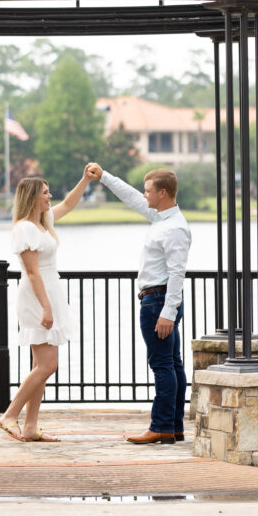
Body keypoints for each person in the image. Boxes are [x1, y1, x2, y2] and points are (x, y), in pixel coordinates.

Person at [85, 162, 191, 445]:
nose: (144, 195)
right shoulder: (162, 219)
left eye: (148, 191)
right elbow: (131, 196)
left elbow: (178, 273)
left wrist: (168, 313)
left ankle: (162, 427)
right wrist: (104, 176)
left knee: (163, 365)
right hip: (158, 300)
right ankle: (173, 427)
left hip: (159, 302)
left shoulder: (174, 229)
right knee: (172, 364)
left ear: (163, 193)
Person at [0, 172, 92, 442]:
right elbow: (33, 272)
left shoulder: (42, 223)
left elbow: (70, 204)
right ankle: (9, 415)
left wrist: (84, 180)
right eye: (45, 192)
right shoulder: (24, 228)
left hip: (50, 292)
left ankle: (30, 427)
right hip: (37, 297)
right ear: (32, 197)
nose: (50, 197)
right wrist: (46, 308)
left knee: (40, 364)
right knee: (48, 365)